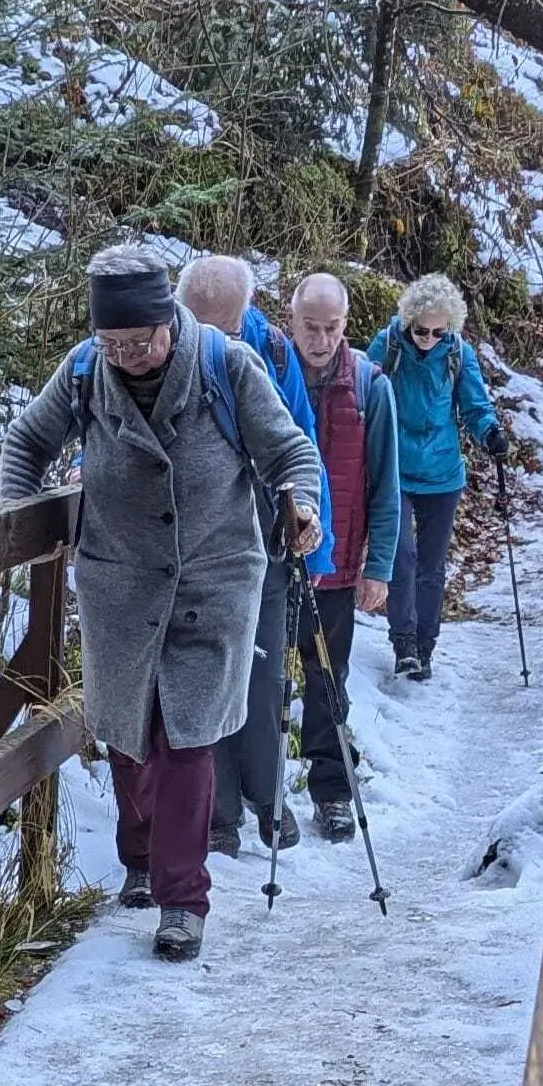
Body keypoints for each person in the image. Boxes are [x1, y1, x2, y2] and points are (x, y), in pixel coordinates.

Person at [0, 243, 323, 962]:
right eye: (114, 343)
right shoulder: (86, 370)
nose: (128, 355)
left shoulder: (224, 363)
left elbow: (289, 451)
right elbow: (26, 441)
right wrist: (14, 525)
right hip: (119, 584)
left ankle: (183, 900)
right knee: (127, 736)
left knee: (188, 741)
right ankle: (140, 860)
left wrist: (302, 505)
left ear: (167, 323)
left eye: (139, 341)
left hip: (212, 582)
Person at [176, 256, 333, 860]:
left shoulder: (271, 347)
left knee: (264, 675)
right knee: (208, 676)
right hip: (193, 551)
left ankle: (268, 800)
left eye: (228, 329)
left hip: (265, 544)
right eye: (203, 327)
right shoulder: (160, 350)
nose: (217, 342)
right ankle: (218, 813)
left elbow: (301, 439)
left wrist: (311, 525)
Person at [288, 273, 401, 842]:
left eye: (332, 327)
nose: (321, 338)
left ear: (346, 325)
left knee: (327, 679)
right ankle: (252, 798)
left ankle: (331, 789)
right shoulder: (266, 371)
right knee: (257, 682)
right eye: (311, 326)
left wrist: (378, 566)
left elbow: (385, 483)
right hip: (271, 563)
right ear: (292, 320)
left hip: (335, 565)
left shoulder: (371, 386)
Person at [368, 274, 508, 682]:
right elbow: (361, 390)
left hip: (444, 475)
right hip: (395, 470)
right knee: (402, 558)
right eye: (420, 330)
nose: (428, 338)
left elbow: (475, 405)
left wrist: (491, 434)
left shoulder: (458, 354)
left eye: (437, 331)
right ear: (408, 321)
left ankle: (426, 646)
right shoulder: (389, 345)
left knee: (431, 565)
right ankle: (404, 644)